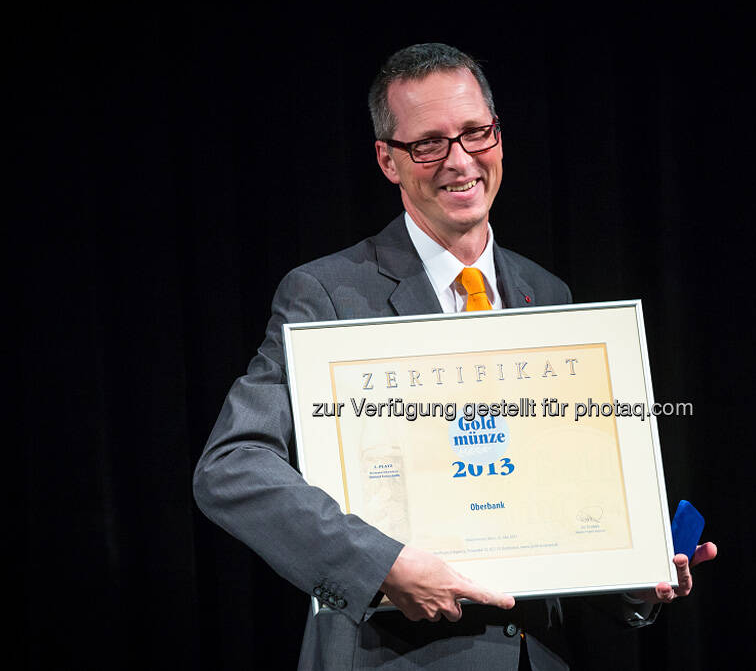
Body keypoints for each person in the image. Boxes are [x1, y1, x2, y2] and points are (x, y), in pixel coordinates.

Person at [193, 42, 716, 670]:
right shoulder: (329, 294)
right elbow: (232, 464)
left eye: (475, 133)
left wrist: (630, 573)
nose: (459, 160)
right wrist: (382, 565)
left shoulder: (546, 295)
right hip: (391, 657)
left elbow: (559, 502)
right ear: (388, 161)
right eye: (429, 144)